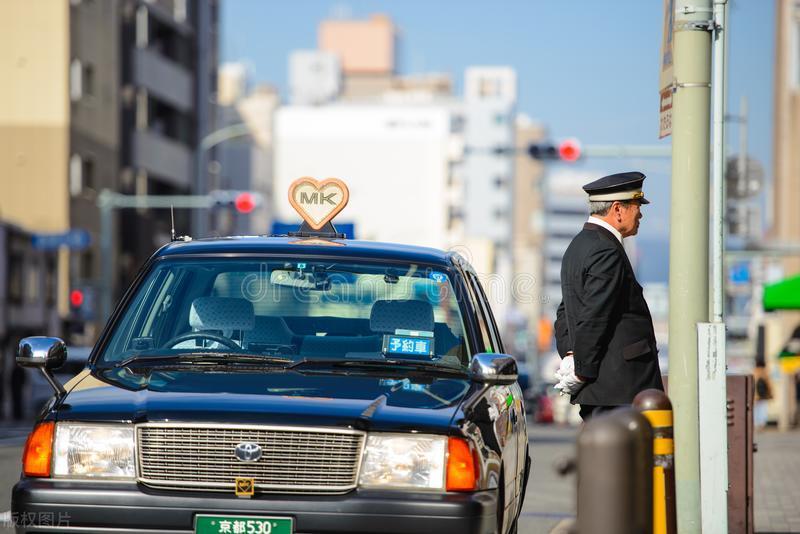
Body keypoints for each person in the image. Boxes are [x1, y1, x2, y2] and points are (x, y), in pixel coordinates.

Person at [553, 171, 664, 421]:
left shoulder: (579, 245)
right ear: (618, 209)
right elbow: (595, 315)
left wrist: (571, 354)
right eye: (637, 206)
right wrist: (582, 370)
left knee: (604, 458)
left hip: (604, 390)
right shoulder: (606, 250)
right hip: (620, 388)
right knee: (627, 458)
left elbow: (566, 311)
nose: (641, 214)